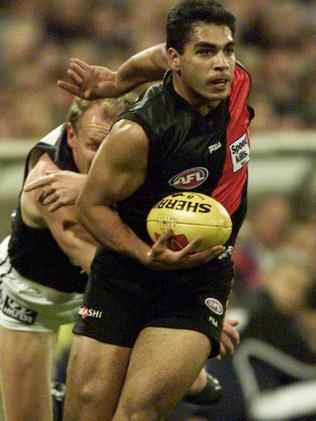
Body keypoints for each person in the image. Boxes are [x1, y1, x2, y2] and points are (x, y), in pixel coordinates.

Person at [60, 1, 254, 420]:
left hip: (198, 281)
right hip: (124, 277)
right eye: (205, 52)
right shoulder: (138, 132)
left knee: (137, 411)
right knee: (85, 412)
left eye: (228, 50)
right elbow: (91, 207)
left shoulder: (236, 84)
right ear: (176, 60)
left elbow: (151, 57)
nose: (221, 64)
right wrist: (144, 254)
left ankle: (190, 361)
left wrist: (117, 79)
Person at [0, 93, 137, 421]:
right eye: (93, 147)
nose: (104, 159)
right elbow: (105, 271)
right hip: (31, 302)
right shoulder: (48, 182)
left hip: (91, 296)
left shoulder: (137, 150)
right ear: (71, 136)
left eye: (111, 149)